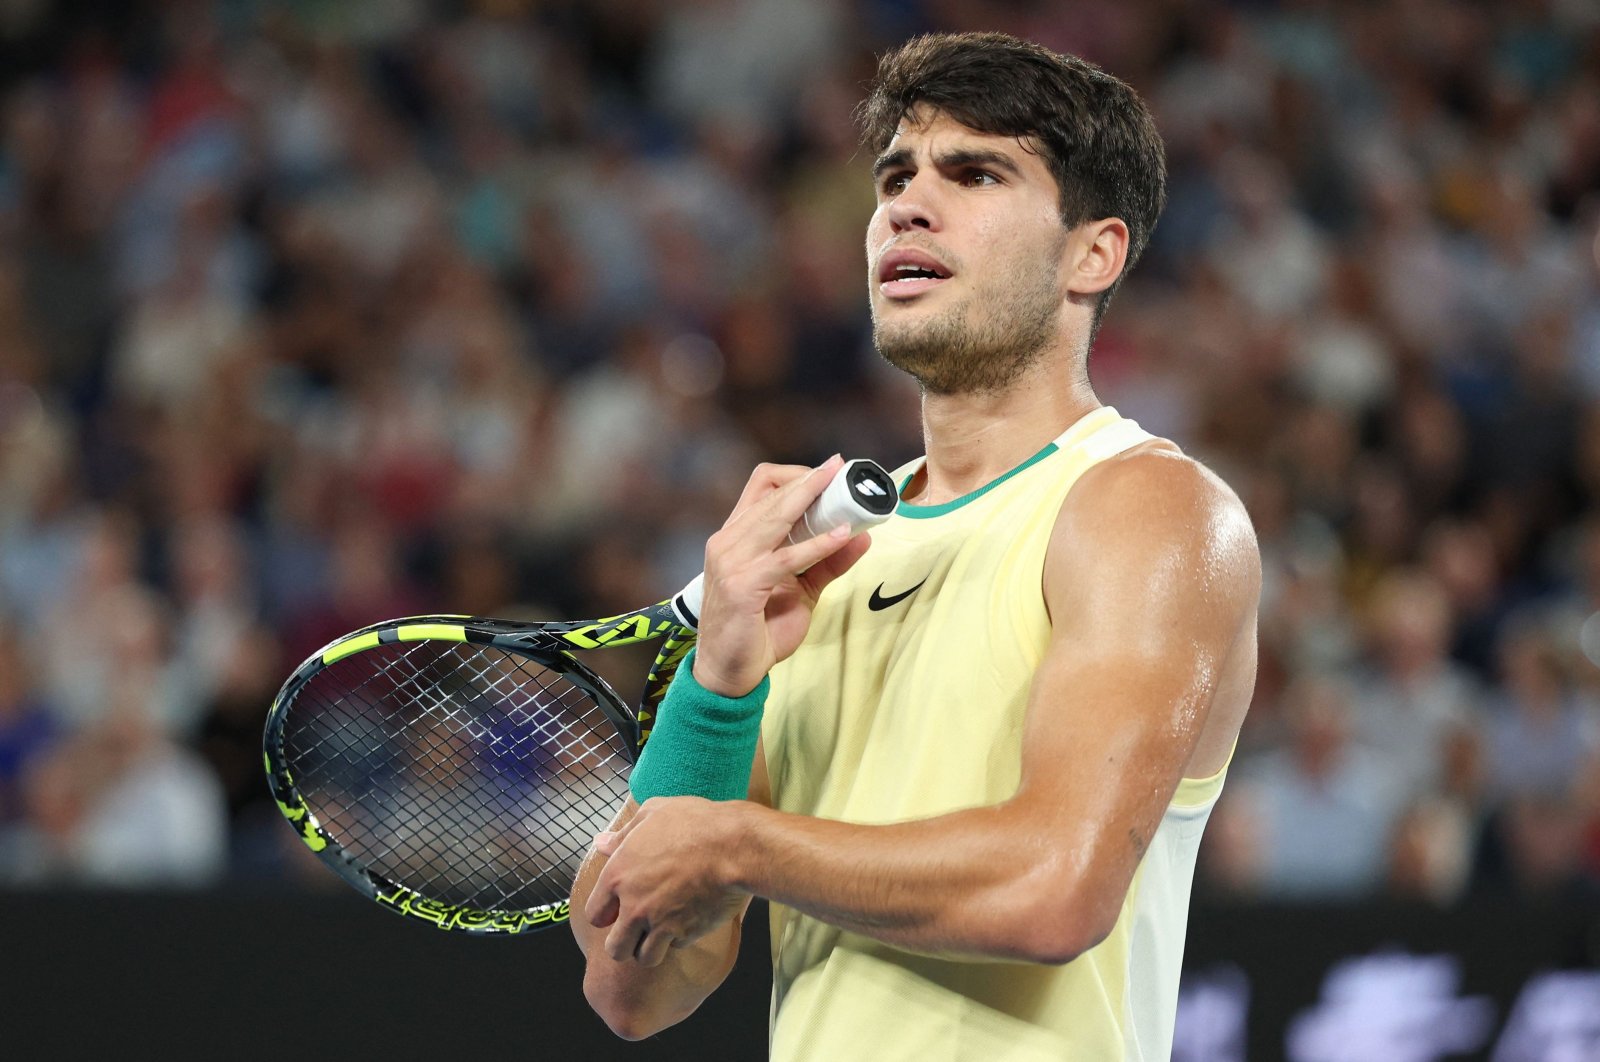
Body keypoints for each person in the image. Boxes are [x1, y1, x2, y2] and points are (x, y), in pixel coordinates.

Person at [571, 31, 1260, 1060]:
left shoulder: (1145, 510)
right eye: (896, 175)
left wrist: (741, 843)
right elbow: (635, 990)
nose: (905, 203)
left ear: (1092, 253)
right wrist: (716, 688)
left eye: (975, 172)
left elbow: (1053, 889)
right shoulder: (818, 550)